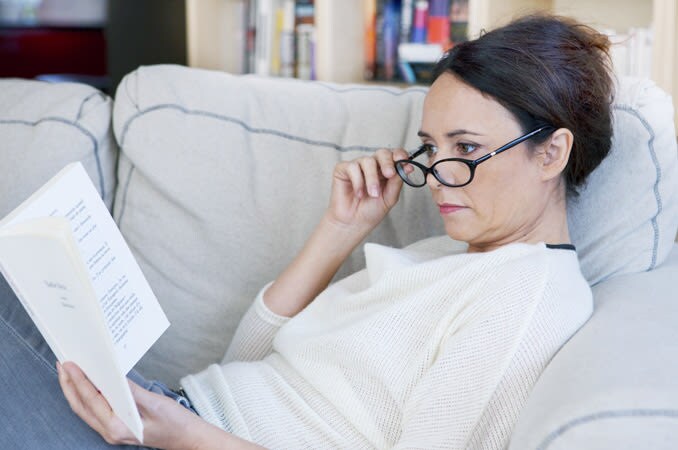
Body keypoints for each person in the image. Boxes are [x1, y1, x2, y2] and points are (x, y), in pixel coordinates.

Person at [1, 13, 614, 450]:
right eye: (431, 147)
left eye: (467, 147)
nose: (441, 179)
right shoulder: (449, 252)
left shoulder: (526, 296)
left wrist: (184, 436)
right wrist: (338, 230)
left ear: (552, 153)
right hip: (170, 415)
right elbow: (242, 368)